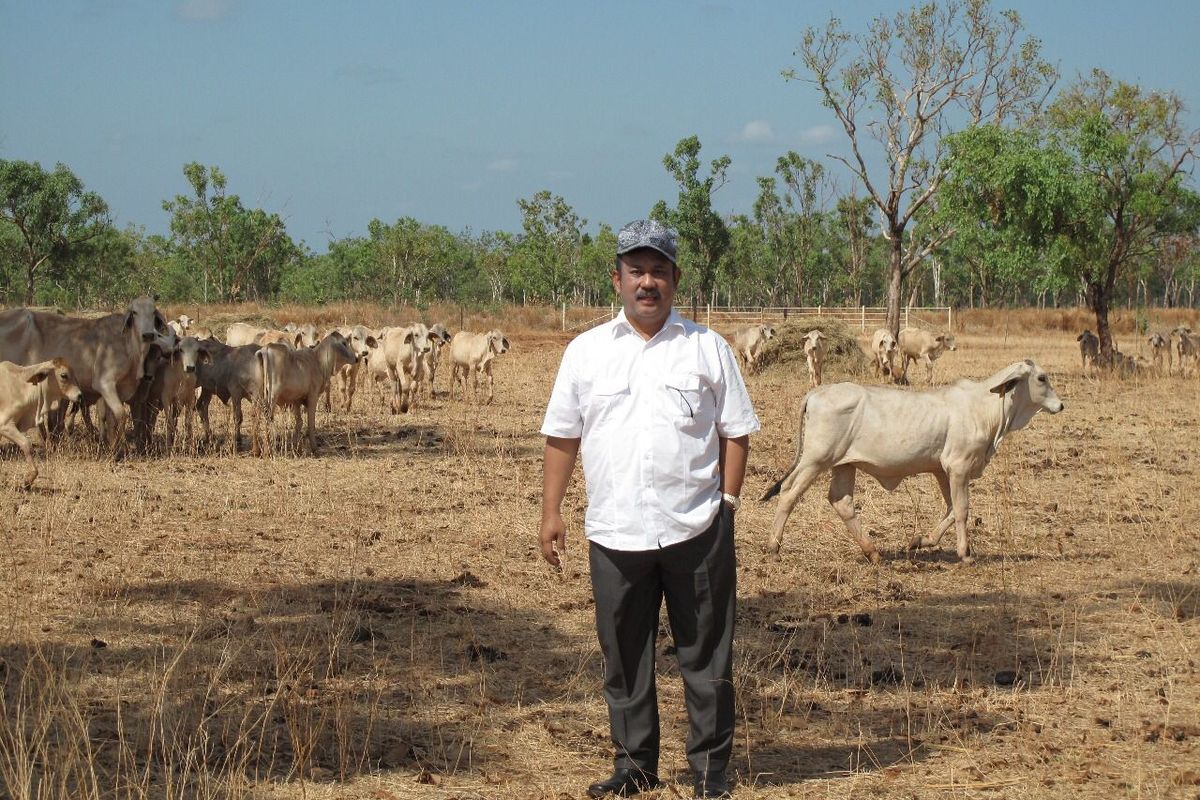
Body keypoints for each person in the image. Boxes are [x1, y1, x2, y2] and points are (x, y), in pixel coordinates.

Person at [539, 219, 759, 799]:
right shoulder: (585, 353)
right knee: (624, 659)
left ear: (675, 279)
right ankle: (634, 767)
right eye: (636, 271)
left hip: (698, 529)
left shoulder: (707, 349)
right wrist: (551, 512)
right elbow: (562, 436)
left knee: (707, 658)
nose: (647, 283)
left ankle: (710, 774)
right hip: (615, 535)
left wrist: (727, 506)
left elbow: (736, 433)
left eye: (658, 271)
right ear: (617, 279)